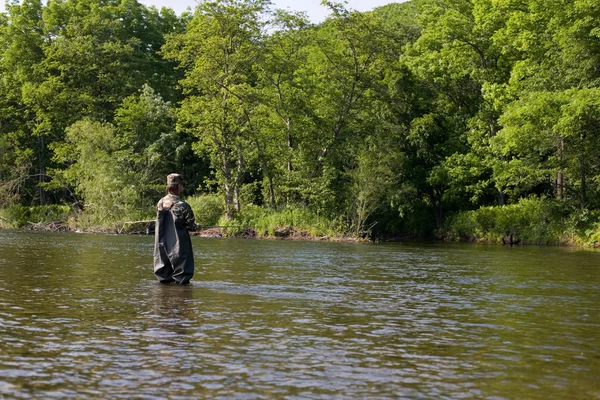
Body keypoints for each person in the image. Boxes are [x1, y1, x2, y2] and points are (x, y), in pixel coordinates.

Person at [153, 173, 197, 284]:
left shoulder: (160, 203)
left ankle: (163, 298)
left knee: (164, 280)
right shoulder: (183, 205)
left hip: (161, 247)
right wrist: (198, 227)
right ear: (180, 186)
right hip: (179, 247)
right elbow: (192, 227)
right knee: (182, 279)